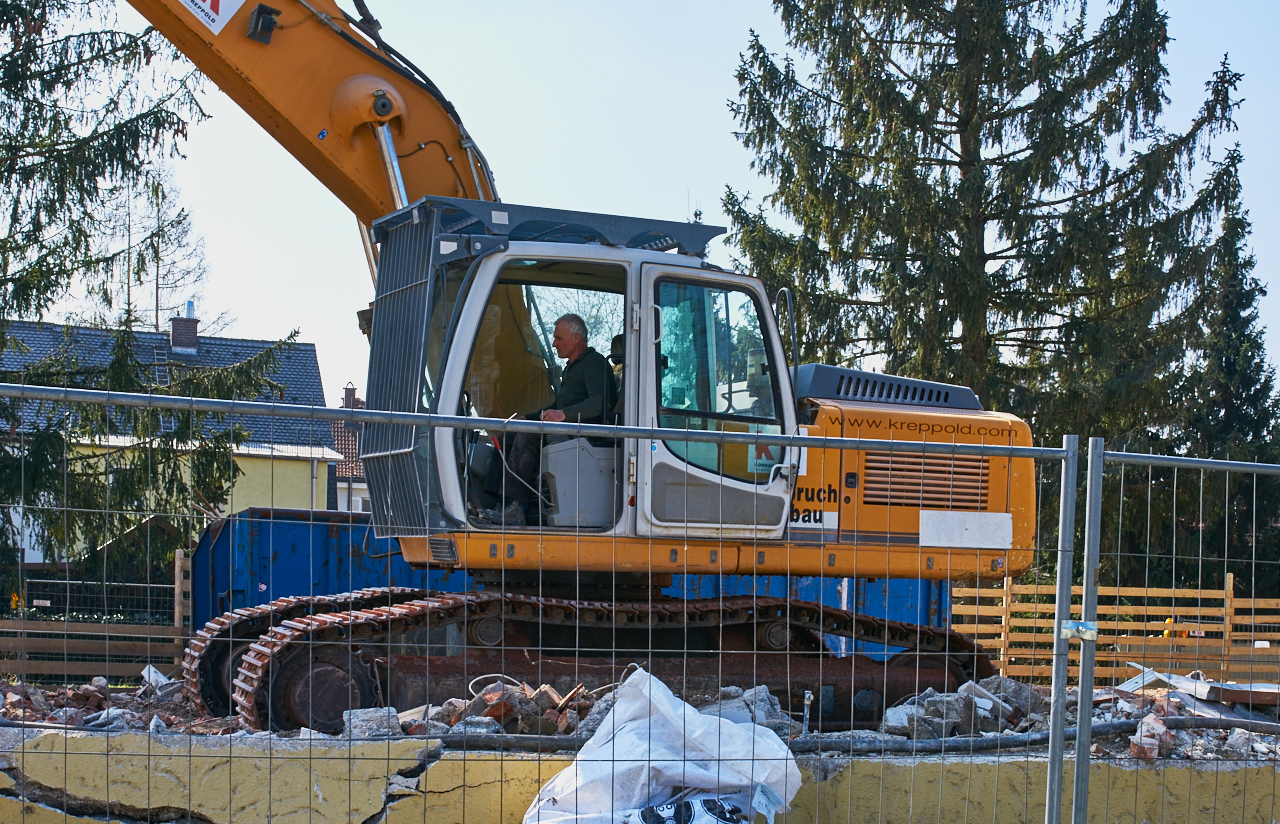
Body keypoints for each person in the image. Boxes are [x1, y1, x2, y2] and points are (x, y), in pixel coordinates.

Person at [483, 313, 616, 525]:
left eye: (559, 339)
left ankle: (517, 508)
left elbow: (600, 403)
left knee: (528, 435)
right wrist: (529, 417)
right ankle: (499, 503)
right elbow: (556, 407)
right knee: (512, 431)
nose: (554, 344)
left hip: (587, 433)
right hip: (567, 428)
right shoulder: (572, 368)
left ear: (576, 338)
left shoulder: (594, 363)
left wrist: (564, 415)